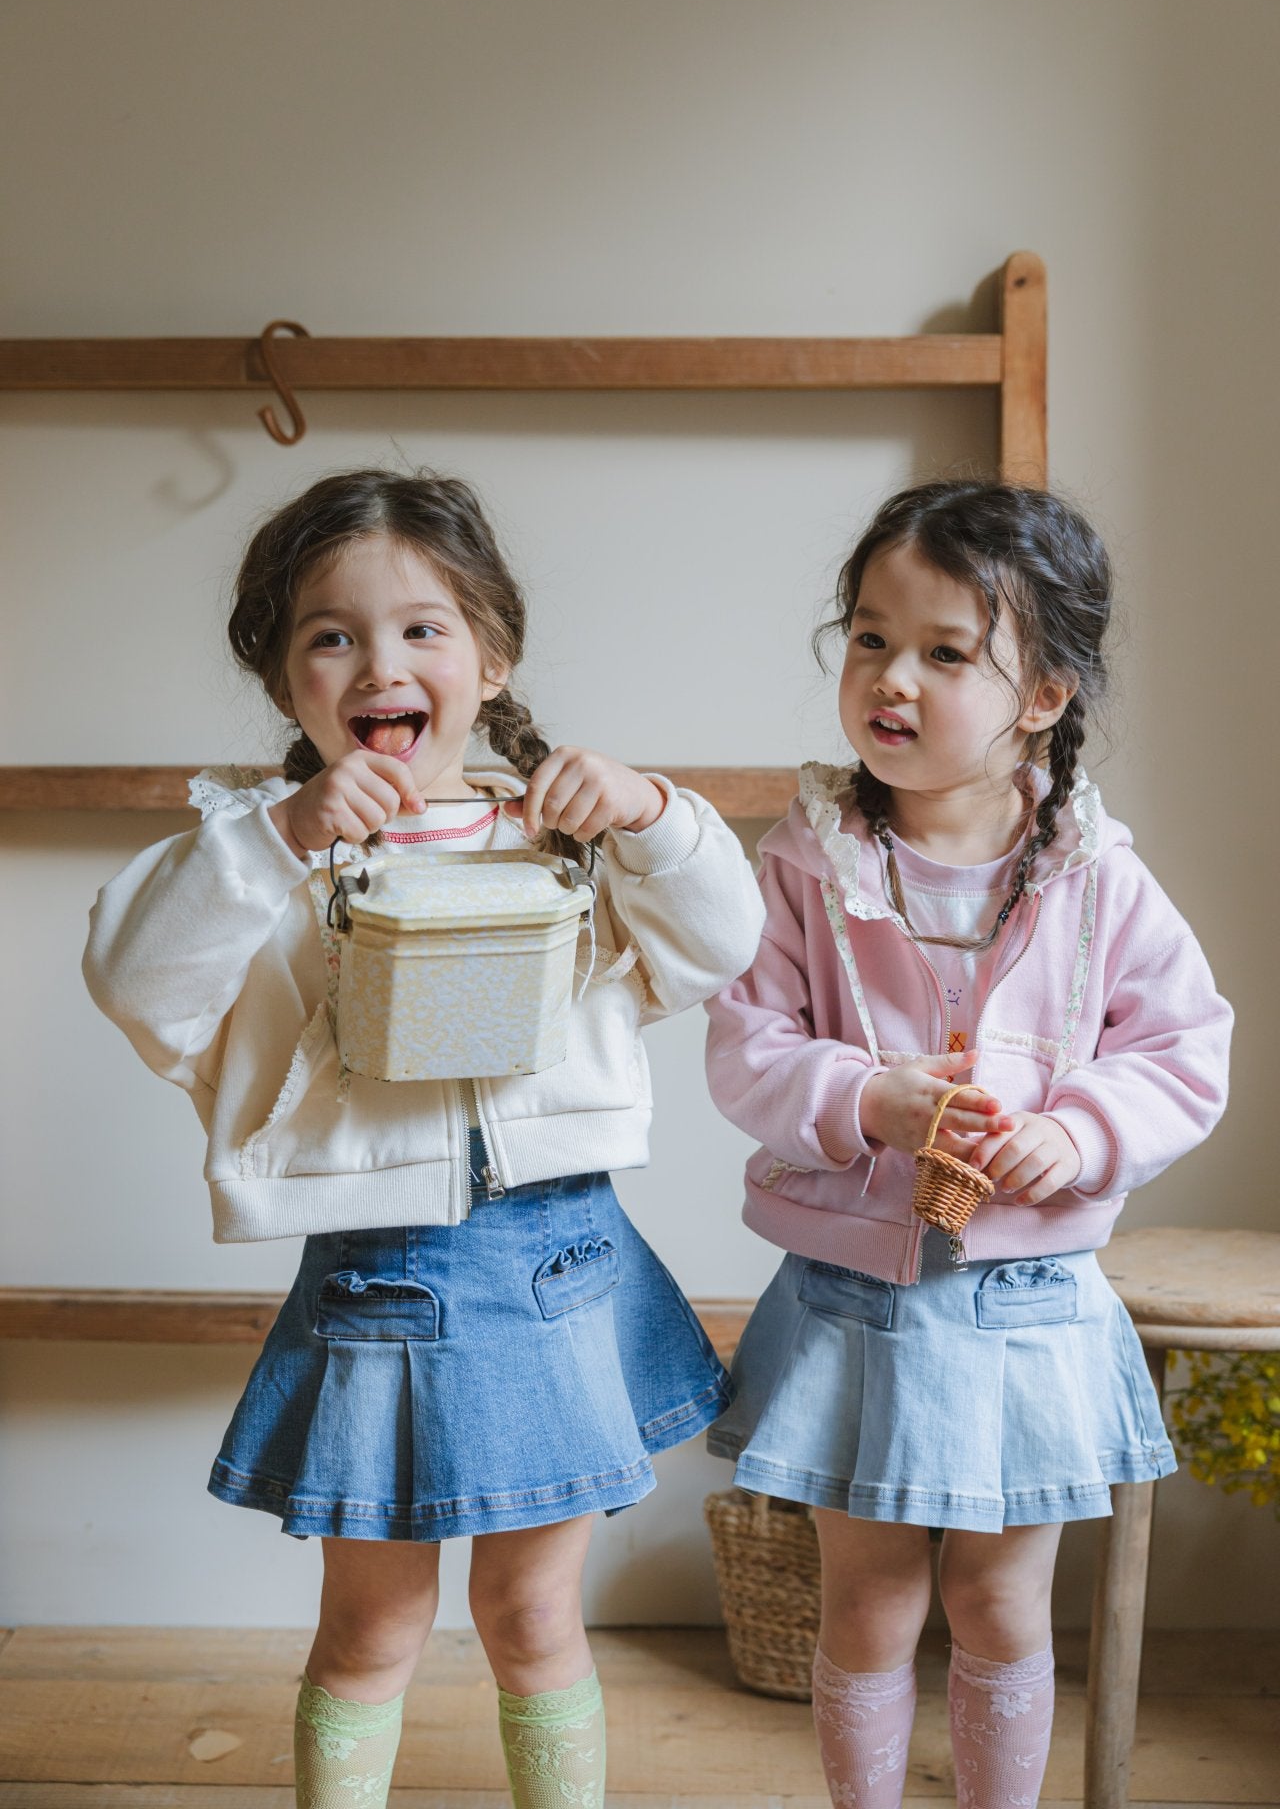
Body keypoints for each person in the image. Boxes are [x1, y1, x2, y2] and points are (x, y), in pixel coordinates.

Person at [84, 468, 764, 1809]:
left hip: (560, 1266)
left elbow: (720, 944)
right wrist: (274, 840)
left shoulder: (566, 838)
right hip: (377, 1283)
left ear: (492, 657)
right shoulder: (265, 856)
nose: (378, 662)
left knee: (535, 1621)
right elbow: (140, 985)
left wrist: (653, 813)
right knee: (371, 1629)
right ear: (287, 685)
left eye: (421, 629)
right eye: (331, 635)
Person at [704, 481, 1231, 1809]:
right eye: (871, 637)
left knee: (1003, 1605)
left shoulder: (1097, 873)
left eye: (947, 653)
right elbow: (743, 1043)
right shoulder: (806, 863)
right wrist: (863, 1098)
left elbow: (1185, 1046)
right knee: (869, 1602)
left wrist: (1082, 1128)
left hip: (1029, 1309)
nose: (892, 677)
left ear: (1042, 695)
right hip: (854, 1304)